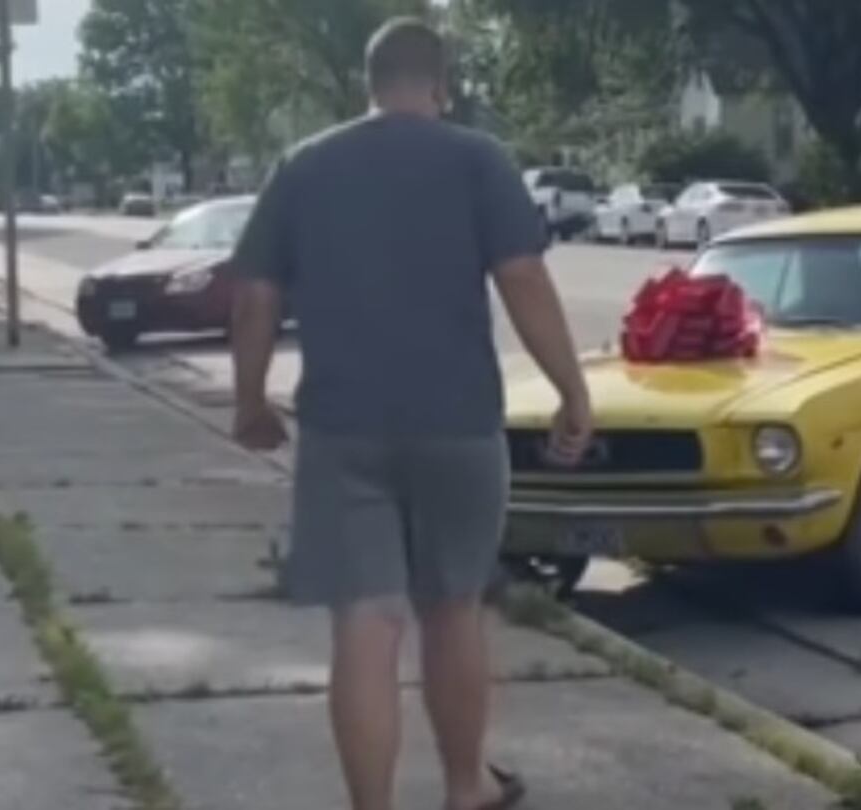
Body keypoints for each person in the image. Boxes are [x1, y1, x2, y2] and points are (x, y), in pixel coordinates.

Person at [226, 16, 592, 810]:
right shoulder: (477, 159)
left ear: (370, 83)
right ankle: (466, 790)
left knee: (366, 622)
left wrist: (250, 401)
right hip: (458, 426)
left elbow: (254, 296)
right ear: (440, 83)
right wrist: (572, 389)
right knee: (453, 608)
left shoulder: (304, 166)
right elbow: (523, 279)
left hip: (342, 430)